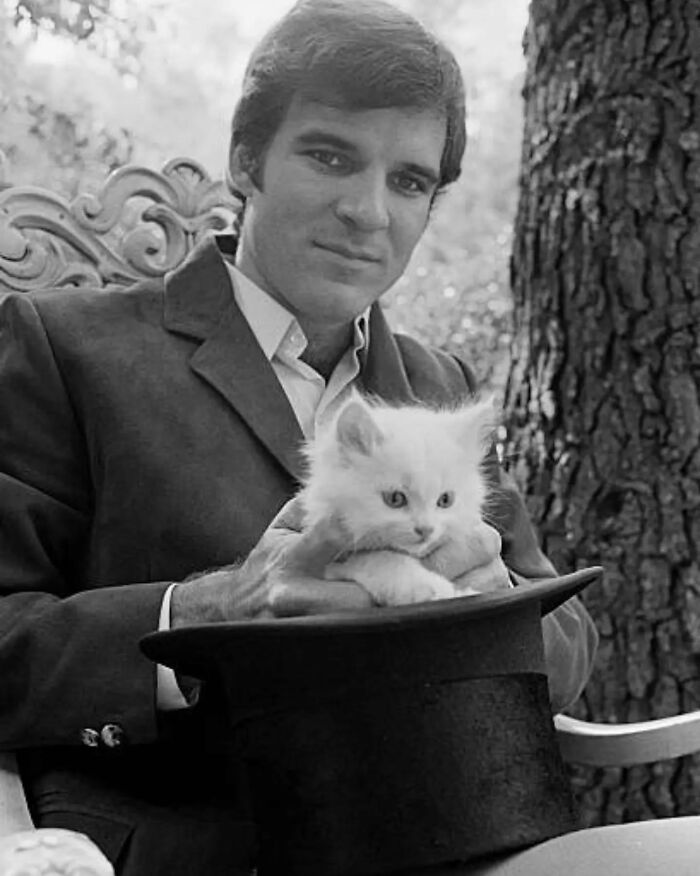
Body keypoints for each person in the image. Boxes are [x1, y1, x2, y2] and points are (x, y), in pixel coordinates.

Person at [0, 0, 598, 873]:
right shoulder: (64, 348)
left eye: (409, 181)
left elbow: (570, 645)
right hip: (191, 849)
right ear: (248, 161)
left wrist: (491, 591)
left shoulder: (440, 390)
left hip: (463, 840)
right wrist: (205, 613)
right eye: (330, 156)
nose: (368, 211)